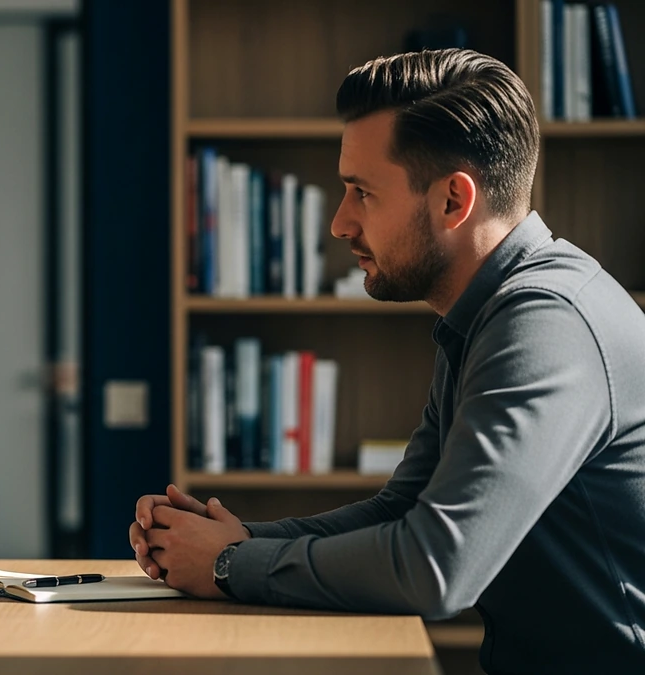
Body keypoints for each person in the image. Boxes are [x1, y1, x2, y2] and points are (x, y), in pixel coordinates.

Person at [130, 49, 645, 673]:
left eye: (362, 193)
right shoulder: (486, 316)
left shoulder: (545, 323)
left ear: (453, 201)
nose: (339, 223)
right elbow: (402, 510)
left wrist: (226, 564)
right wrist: (229, 541)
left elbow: (436, 568)